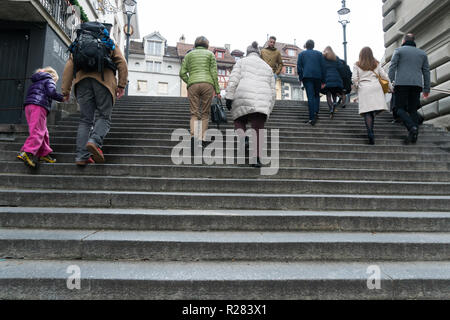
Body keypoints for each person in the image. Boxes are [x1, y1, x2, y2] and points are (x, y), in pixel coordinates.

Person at [62, 22, 128, 166]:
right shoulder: (108, 43)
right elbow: (122, 62)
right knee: (104, 116)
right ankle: (94, 141)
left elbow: (69, 67)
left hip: (82, 83)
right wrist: (121, 85)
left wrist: (65, 91)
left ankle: (81, 156)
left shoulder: (79, 44)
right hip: (104, 83)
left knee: (85, 120)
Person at [225, 41, 276, 168]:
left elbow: (233, 79)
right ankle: (256, 159)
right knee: (258, 130)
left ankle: (243, 138)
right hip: (262, 99)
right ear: (259, 54)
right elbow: (273, 91)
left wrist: (229, 97)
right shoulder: (267, 67)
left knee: (238, 119)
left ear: (247, 53)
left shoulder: (241, 62)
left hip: (243, 95)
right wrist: (269, 107)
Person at [17, 67, 64, 168]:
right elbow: (51, 93)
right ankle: (27, 152)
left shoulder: (36, 81)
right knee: (38, 131)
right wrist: (62, 98)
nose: (54, 82)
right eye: (55, 81)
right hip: (39, 106)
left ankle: (44, 153)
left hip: (29, 106)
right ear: (53, 76)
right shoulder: (49, 80)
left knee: (43, 131)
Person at [179, 36, 221, 149]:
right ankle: (202, 138)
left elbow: (182, 73)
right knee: (205, 113)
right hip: (207, 84)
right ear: (207, 45)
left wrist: (190, 81)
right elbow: (214, 73)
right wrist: (217, 90)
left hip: (193, 84)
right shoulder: (210, 55)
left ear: (195, 44)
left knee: (194, 113)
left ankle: (194, 136)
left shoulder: (188, 55)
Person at [388, 33, 430, 144]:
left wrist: (388, 84)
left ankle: (412, 127)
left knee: (399, 109)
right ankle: (414, 135)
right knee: (413, 110)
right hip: (417, 85)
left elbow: (392, 67)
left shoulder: (399, 51)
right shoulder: (422, 54)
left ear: (403, 41)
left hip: (402, 84)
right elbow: (426, 72)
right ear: (413, 41)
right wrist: (426, 89)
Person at [352, 47, 393, 145]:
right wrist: (390, 87)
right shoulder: (376, 64)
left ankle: (370, 132)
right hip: (376, 88)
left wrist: (357, 87)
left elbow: (354, 78)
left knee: (367, 112)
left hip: (364, 89)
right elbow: (384, 76)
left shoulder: (357, 64)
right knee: (374, 109)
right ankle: (371, 128)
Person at [297, 39, 325, 125]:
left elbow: (299, 67)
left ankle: (311, 118)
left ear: (306, 46)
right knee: (317, 95)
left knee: (310, 97)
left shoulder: (301, 54)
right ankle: (316, 113)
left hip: (307, 77)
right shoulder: (319, 54)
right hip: (318, 77)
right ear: (313, 46)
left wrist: (301, 78)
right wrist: (323, 80)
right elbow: (323, 67)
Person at [321, 46, 344, 118]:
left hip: (327, 78)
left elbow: (321, 67)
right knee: (334, 94)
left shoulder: (323, 57)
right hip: (336, 78)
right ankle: (334, 103)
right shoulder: (336, 57)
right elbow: (341, 67)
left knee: (328, 95)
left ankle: (331, 109)